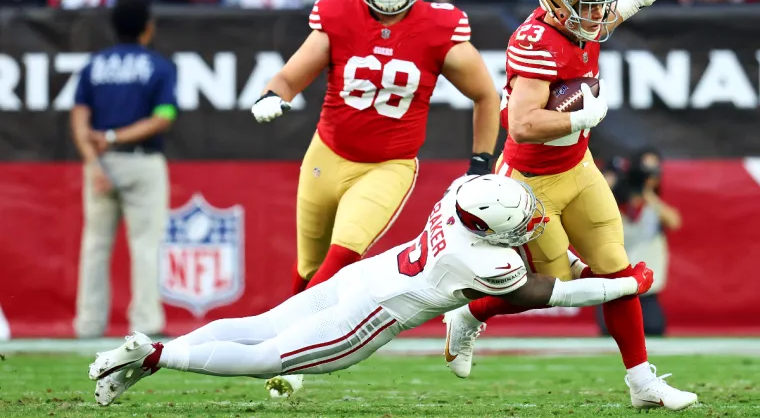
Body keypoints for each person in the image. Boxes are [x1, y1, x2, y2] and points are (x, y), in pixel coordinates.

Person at [88, 174, 655, 406]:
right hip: (371, 313)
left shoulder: (461, 195)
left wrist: (585, 267)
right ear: (490, 226)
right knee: (266, 358)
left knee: (259, 324)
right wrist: (623, 283)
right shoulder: (486, 257)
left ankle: (156, 352)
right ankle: (157, 356)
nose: (530, 223)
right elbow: (547, 294)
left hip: (359, 278)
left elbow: (535, 259)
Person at [439, 0, 698, 411]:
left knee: (615, 267)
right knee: (552, 285)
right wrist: (580, 117)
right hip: (531, 183)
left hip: (578, 168)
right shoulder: (536, 41)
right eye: (587, 8)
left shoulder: (581, 19)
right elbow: (522, 125)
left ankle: (641, 381)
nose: (597, 16)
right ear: (558, 6)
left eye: (598, 6)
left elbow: (608, 14)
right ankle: (469, 314)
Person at [250, 0, 500, 297]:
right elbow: (289, 78)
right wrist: (272, 95)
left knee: (342, 256)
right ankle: (294, 339)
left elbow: (485, 95)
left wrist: (480, 163)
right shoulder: (339, 14)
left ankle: (281, 334)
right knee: (309, 267)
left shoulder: (438, 26)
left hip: (387, 166)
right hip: (326, 155)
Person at [70, 0, 178, 338]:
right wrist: (115, 136)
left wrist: (92, 161)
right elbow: (164, 117)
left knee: (95, 246)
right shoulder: (158, 66)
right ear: (147, 28)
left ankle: (88, 324)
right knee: (145, 245)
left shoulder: (94, 65)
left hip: (101, 164)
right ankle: (145, 325)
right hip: (142, 161)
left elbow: (78, 116)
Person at [597, 148, 681, 336]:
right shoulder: (612, 206)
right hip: (614, 286)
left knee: (652, 329)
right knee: (611, 333)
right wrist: (608, 190)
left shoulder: (652, 206)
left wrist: (647, 192)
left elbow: (674, 221)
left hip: (646, 288)